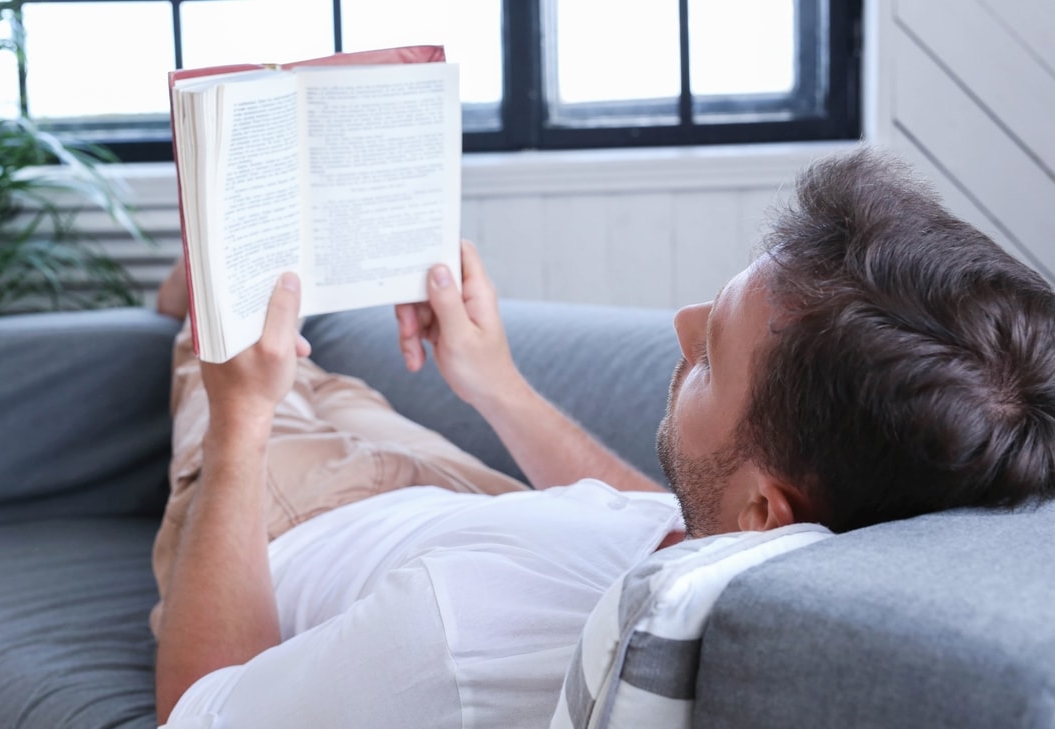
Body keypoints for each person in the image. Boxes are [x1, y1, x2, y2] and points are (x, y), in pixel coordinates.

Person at [152, 147, 1055, 726]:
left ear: (765, 508)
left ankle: (182, 300)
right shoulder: (760, 535)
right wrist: (494, 381)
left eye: (710, 356)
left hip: (281, 516)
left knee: (216, 336)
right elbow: (649, 517)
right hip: (454, 495)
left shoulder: (457, 643)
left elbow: (197, 712)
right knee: (308, 362)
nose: (679, 324)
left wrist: (240, 422)